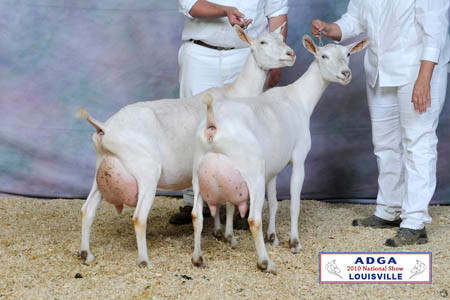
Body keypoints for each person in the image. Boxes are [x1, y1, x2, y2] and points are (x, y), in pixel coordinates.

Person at [311, 0, 450, 246]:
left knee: (418, 143)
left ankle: (414, 222)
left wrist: (424, 79)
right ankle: (389, 209)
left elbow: (435, 30)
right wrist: (331, 28)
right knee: (385, 144)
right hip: (379, 69)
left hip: (417, 70)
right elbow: (355, 19)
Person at [170, 0, 288, 225]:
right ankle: (193, 202)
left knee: (247, 130)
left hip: (247, 55)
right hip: (200, 54)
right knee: (194, 126)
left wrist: (276, 63)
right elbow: (190, 4)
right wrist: (225, 11)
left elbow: (277, 14)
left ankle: (245, 203)